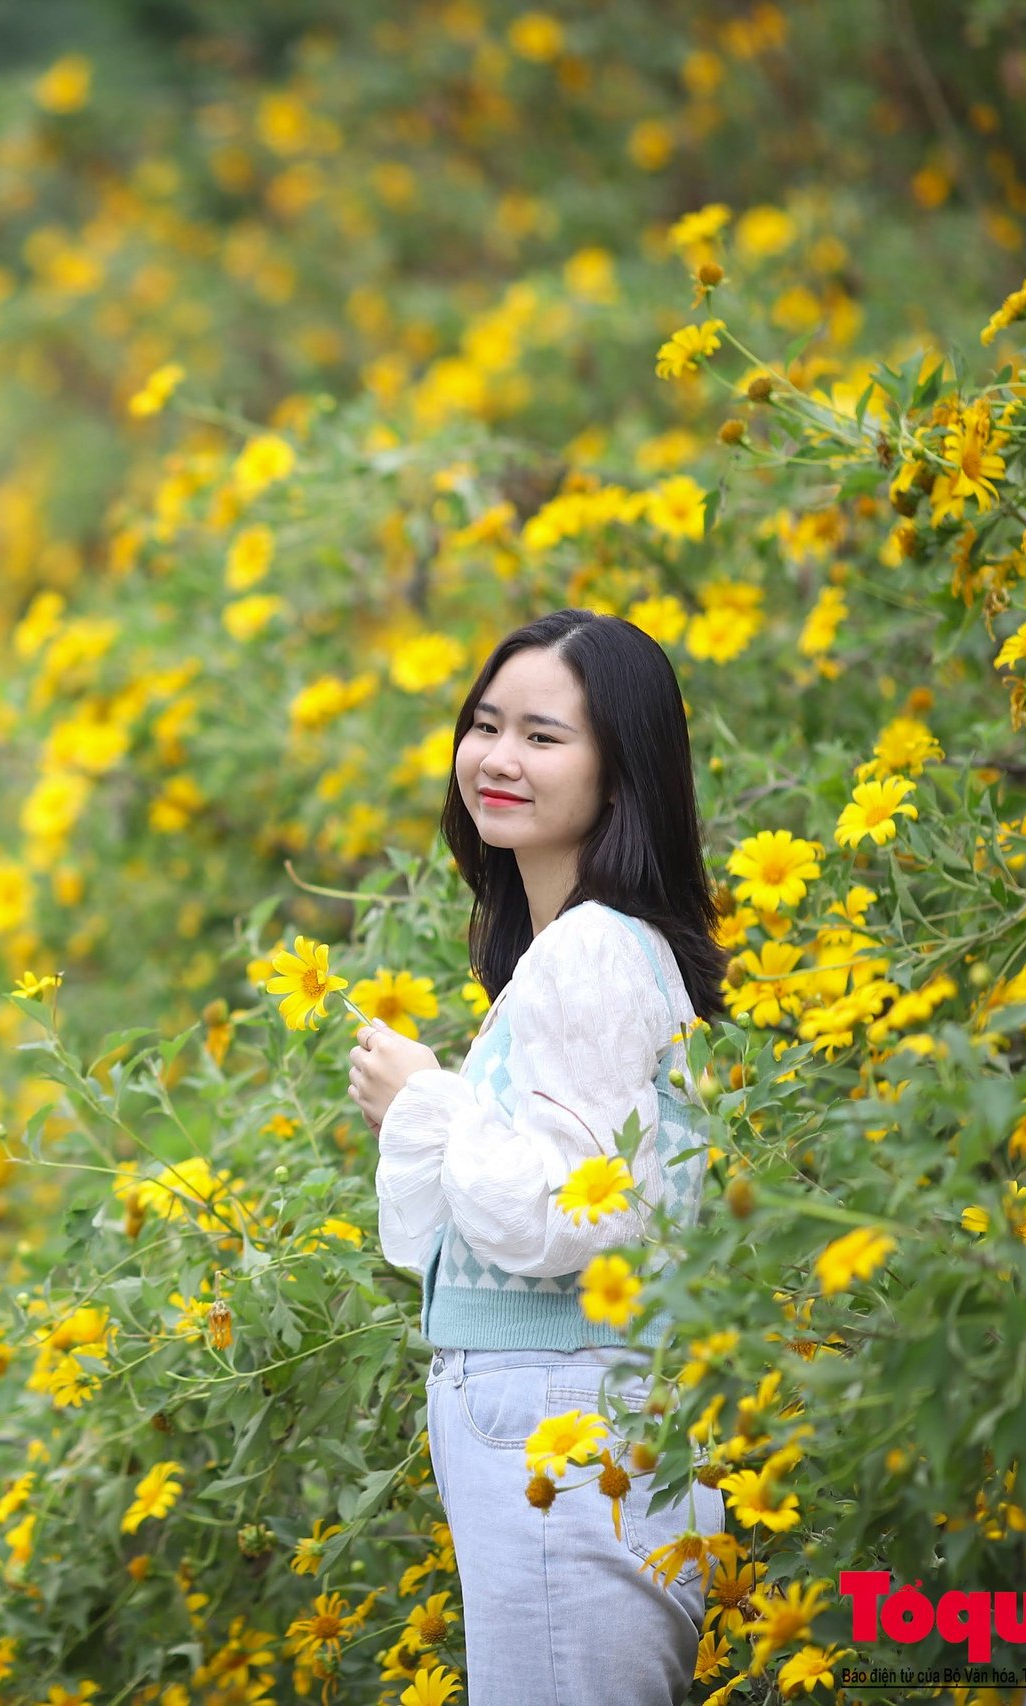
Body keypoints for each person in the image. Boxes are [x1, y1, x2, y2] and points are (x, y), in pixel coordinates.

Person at [347, 609, 732, 1705]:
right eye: (483, 725)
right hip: (562, 1414)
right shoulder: (577, 950)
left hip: (565, 1418)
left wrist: (426, 1098)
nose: (497, 759)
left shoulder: (594, 951)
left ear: (619, 774)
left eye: (542, 735)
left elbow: (575, 1214)